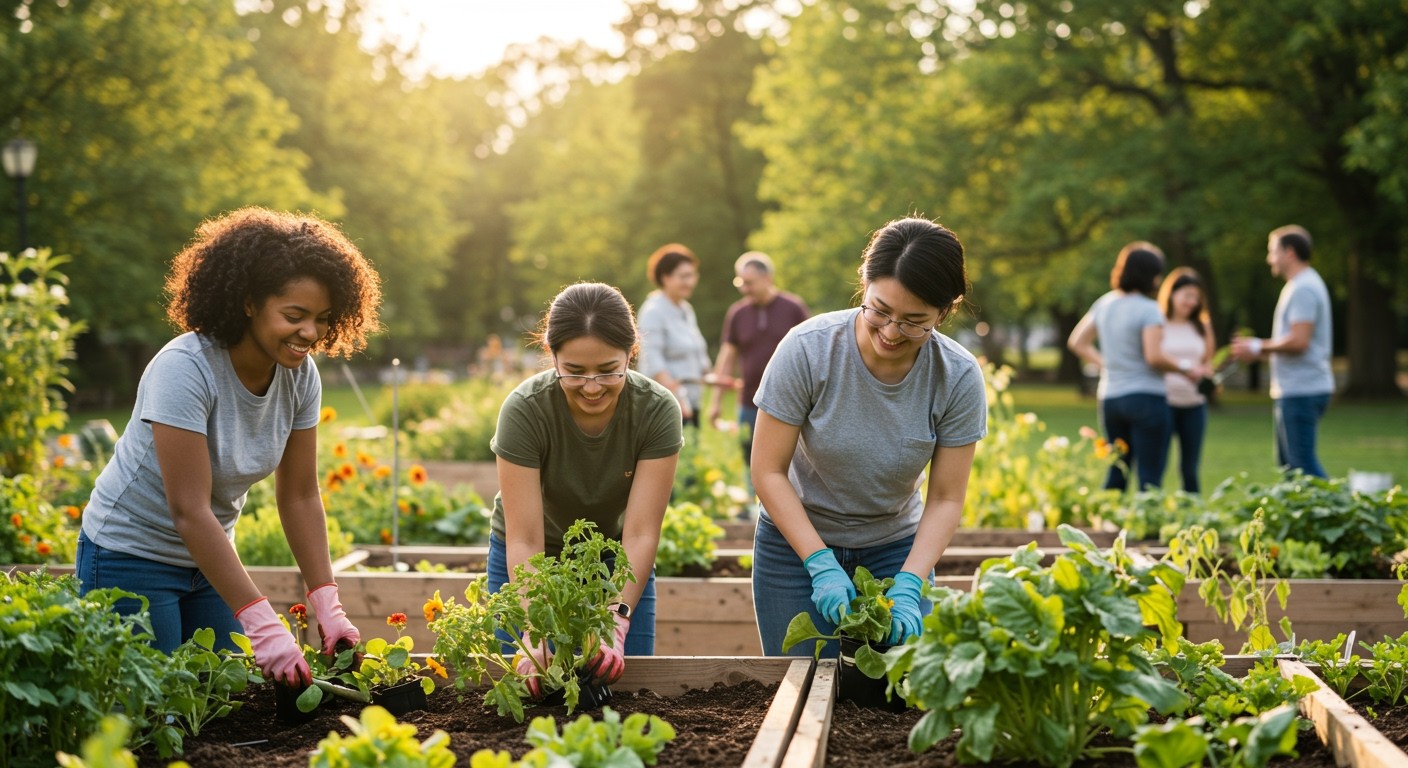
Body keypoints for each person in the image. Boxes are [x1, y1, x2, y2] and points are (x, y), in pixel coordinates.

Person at [77, 207, 383, 686]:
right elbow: (189, 510)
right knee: (152, 715)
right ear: (248, 303)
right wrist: (262, 622)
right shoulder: (185, 368)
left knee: (226, 703)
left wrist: (327, 600)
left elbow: (300, 495)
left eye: (322, 319)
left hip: (208, 564)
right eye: (294, 316)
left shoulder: (301, 376)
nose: (310, 333)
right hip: (129, 557)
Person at [750, 217, 986, 657]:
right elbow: (767, 471)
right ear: (864, 284)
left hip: (895, 551)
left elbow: (946, 498)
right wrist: (819, 563)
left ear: (945, 310)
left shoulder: (956, 376)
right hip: (795, 547)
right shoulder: (807, 349)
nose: (892, 332)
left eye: (915, 321)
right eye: (880, 310)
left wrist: (911, 583)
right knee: (797, 688)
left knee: (894, 703)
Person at [489, 282, 683, 693]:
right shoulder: (525, 410)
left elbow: (641, 532)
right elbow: (524, 538)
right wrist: (534, 625)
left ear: (631, 352)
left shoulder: (656, 409)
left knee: (624, 694)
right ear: (551, 352)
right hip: (531, 560)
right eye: (574, 372)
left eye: (609, 370)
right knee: (527, 692)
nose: (592, 387)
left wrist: (617, 615)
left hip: (616, 562)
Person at [1068, 242, 1201, 491]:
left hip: (1110, 399)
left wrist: (1107, 365)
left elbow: (1077, 342)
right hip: (1146, 398)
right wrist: (1186, 368)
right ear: (1150, 275)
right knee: (1149, 478)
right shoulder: (1150, 310)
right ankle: (1148, 527)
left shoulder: (1105, 303)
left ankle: (1107, 525)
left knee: (1117, 469)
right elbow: (1154, 357)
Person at [1230, 225, 1333, 478]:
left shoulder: (1303, 288)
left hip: (1302, 389)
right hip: (1297, 388)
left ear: (1289, 252)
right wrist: (1259, 351)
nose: (1269, 259)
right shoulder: (1300, 285)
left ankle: (1340, 515)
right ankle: (1306, 517)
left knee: (1301, 468)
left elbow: (1299, 341)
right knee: (1290, 466)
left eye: (1272, 251)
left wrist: (1258, 345)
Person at [706, 251, 809, 501]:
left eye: (749, 282)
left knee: (792, 458)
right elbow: (727, 357)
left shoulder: (793, 308)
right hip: (749, 402)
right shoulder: (738, 314)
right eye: (740, 282)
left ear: (767, 278)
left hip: (791, 402)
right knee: (750, 457)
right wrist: (716, 402)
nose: (744, 289)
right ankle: (756, 508)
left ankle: (794, 504)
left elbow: (811, 351)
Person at [636, 244, 712, 427]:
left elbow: (696, 350)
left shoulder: (686, 309)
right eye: (684, 276)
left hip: (690, 401)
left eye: (692, 275)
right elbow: (652, 358)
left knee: (691, 452)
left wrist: (711, 375)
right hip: (666, 403)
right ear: (665, 278)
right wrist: (676, 393)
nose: (690, 282)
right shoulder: (653, 311)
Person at [1157, 267, 1217, 493]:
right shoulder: (1157, 322)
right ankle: (1154, 514)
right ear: (1172, 294)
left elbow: (1208, 361)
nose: (1192, 302)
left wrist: (1207, 375)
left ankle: (1192, 514)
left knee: (1190, 468)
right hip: (1164, 402)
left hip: (1194, 405)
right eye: (1187, 295)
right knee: (1158, 464)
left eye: (1196, 297)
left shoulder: (1202, 325)